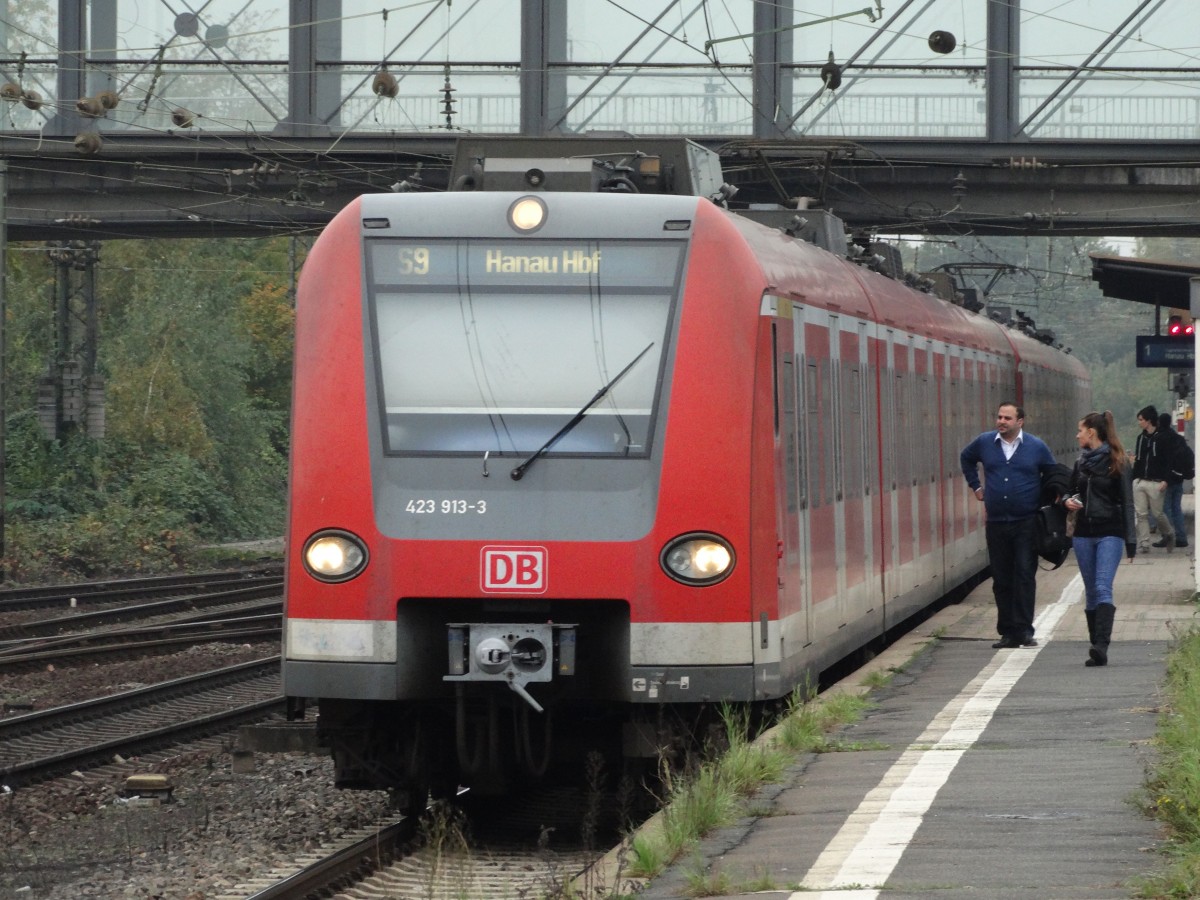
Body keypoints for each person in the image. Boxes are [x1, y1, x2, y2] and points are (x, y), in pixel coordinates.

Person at [960, 402, 1058, 649]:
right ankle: (1007, 632)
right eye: (999, 417)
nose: (1001, 421)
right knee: (1002, 578)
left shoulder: (1036, 447)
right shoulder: (984, 443)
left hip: (1026, 522)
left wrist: (1046, 501)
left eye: (1007, 418)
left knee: (1024, 575)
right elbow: (966, 458)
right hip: (996, 523)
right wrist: (976, 486)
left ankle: (1024, 630)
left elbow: (1053, 473)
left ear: (1020, 422)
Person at [1063, 411, 1136, 667]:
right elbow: (1071, 490)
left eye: (1080, 430)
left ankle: (1102, 645)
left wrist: (1131, 541)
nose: (1077, 435)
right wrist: (1067, 501)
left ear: (1091, 432)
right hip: (1083, 534)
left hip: (1110, 532)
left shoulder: (1118, 462)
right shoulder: (1080, 463)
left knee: (1103, 586)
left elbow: (1128, 502)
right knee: (1091, 590)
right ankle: (1096, 644)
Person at [1131, 405, 1175, 553]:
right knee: (1141, 514)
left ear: (1149, 421)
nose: (1139, 423)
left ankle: (1169, 533)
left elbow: (1169, 461)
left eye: (1141, 420)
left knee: (1157, 514)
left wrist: (1166, 480)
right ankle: (1144, 543)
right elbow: (1138, 460)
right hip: (1140, 481)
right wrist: (1135, 478)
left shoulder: (1163, 438)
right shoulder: (1141, 438)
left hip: (1157, 482)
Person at [1158, 412, 1191, 549]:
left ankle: (1168, 536)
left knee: (1164, 510)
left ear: (1160, 423)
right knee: (1176, 508)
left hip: (1166, 480)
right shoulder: (1178, 438)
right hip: (1178, 478)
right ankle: (1182, 538)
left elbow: (1161, 461)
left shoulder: (1160, 438)